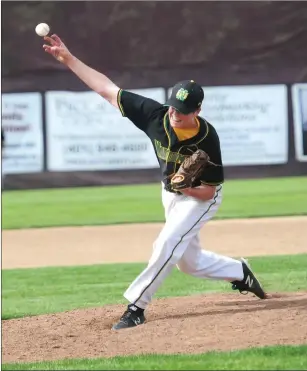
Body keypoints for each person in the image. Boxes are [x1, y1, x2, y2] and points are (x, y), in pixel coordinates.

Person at [43, 34, 267, 331]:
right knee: (190, 263)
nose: (175, 113)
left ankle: (136, 306)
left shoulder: (207, 139)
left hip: (200, 197)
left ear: (197, 111)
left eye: (183, 110)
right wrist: (69, 59)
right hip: (170, 194)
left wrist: (186, 187)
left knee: (166, 242)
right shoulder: (155, 116)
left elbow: (209, 190)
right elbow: (108, 90)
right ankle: (239, 271)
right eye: (173, 106)